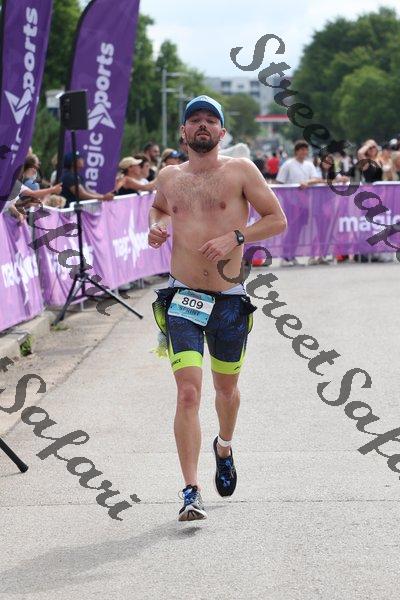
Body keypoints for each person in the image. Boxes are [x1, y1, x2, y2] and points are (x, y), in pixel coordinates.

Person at [148, 94, 287, 521]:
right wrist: (157, 226)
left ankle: (223, 446)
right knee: (188, 392)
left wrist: (237, 237)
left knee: (226, 392)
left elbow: (276, 219)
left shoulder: (240, 170)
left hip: (229, 300)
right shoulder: (169, 176)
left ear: (222, 131)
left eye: (211, 119)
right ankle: (191, 490)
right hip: (182, 298)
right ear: (183, 132)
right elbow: (159, 208)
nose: (203, 125)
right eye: (195, 120)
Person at [276, 140, 323, 266]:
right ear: (296, 151)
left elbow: (317, 179)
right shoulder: (288, 164)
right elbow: (279, 183)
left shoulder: (309, 165)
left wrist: (307, 182)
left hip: (305, 204)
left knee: (298, 230)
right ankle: (285, 256)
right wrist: (288, 199)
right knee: (292, 229)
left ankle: (291, 256)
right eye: (301, 149)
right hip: (291, 204)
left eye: (306, 150)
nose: (304, 152)